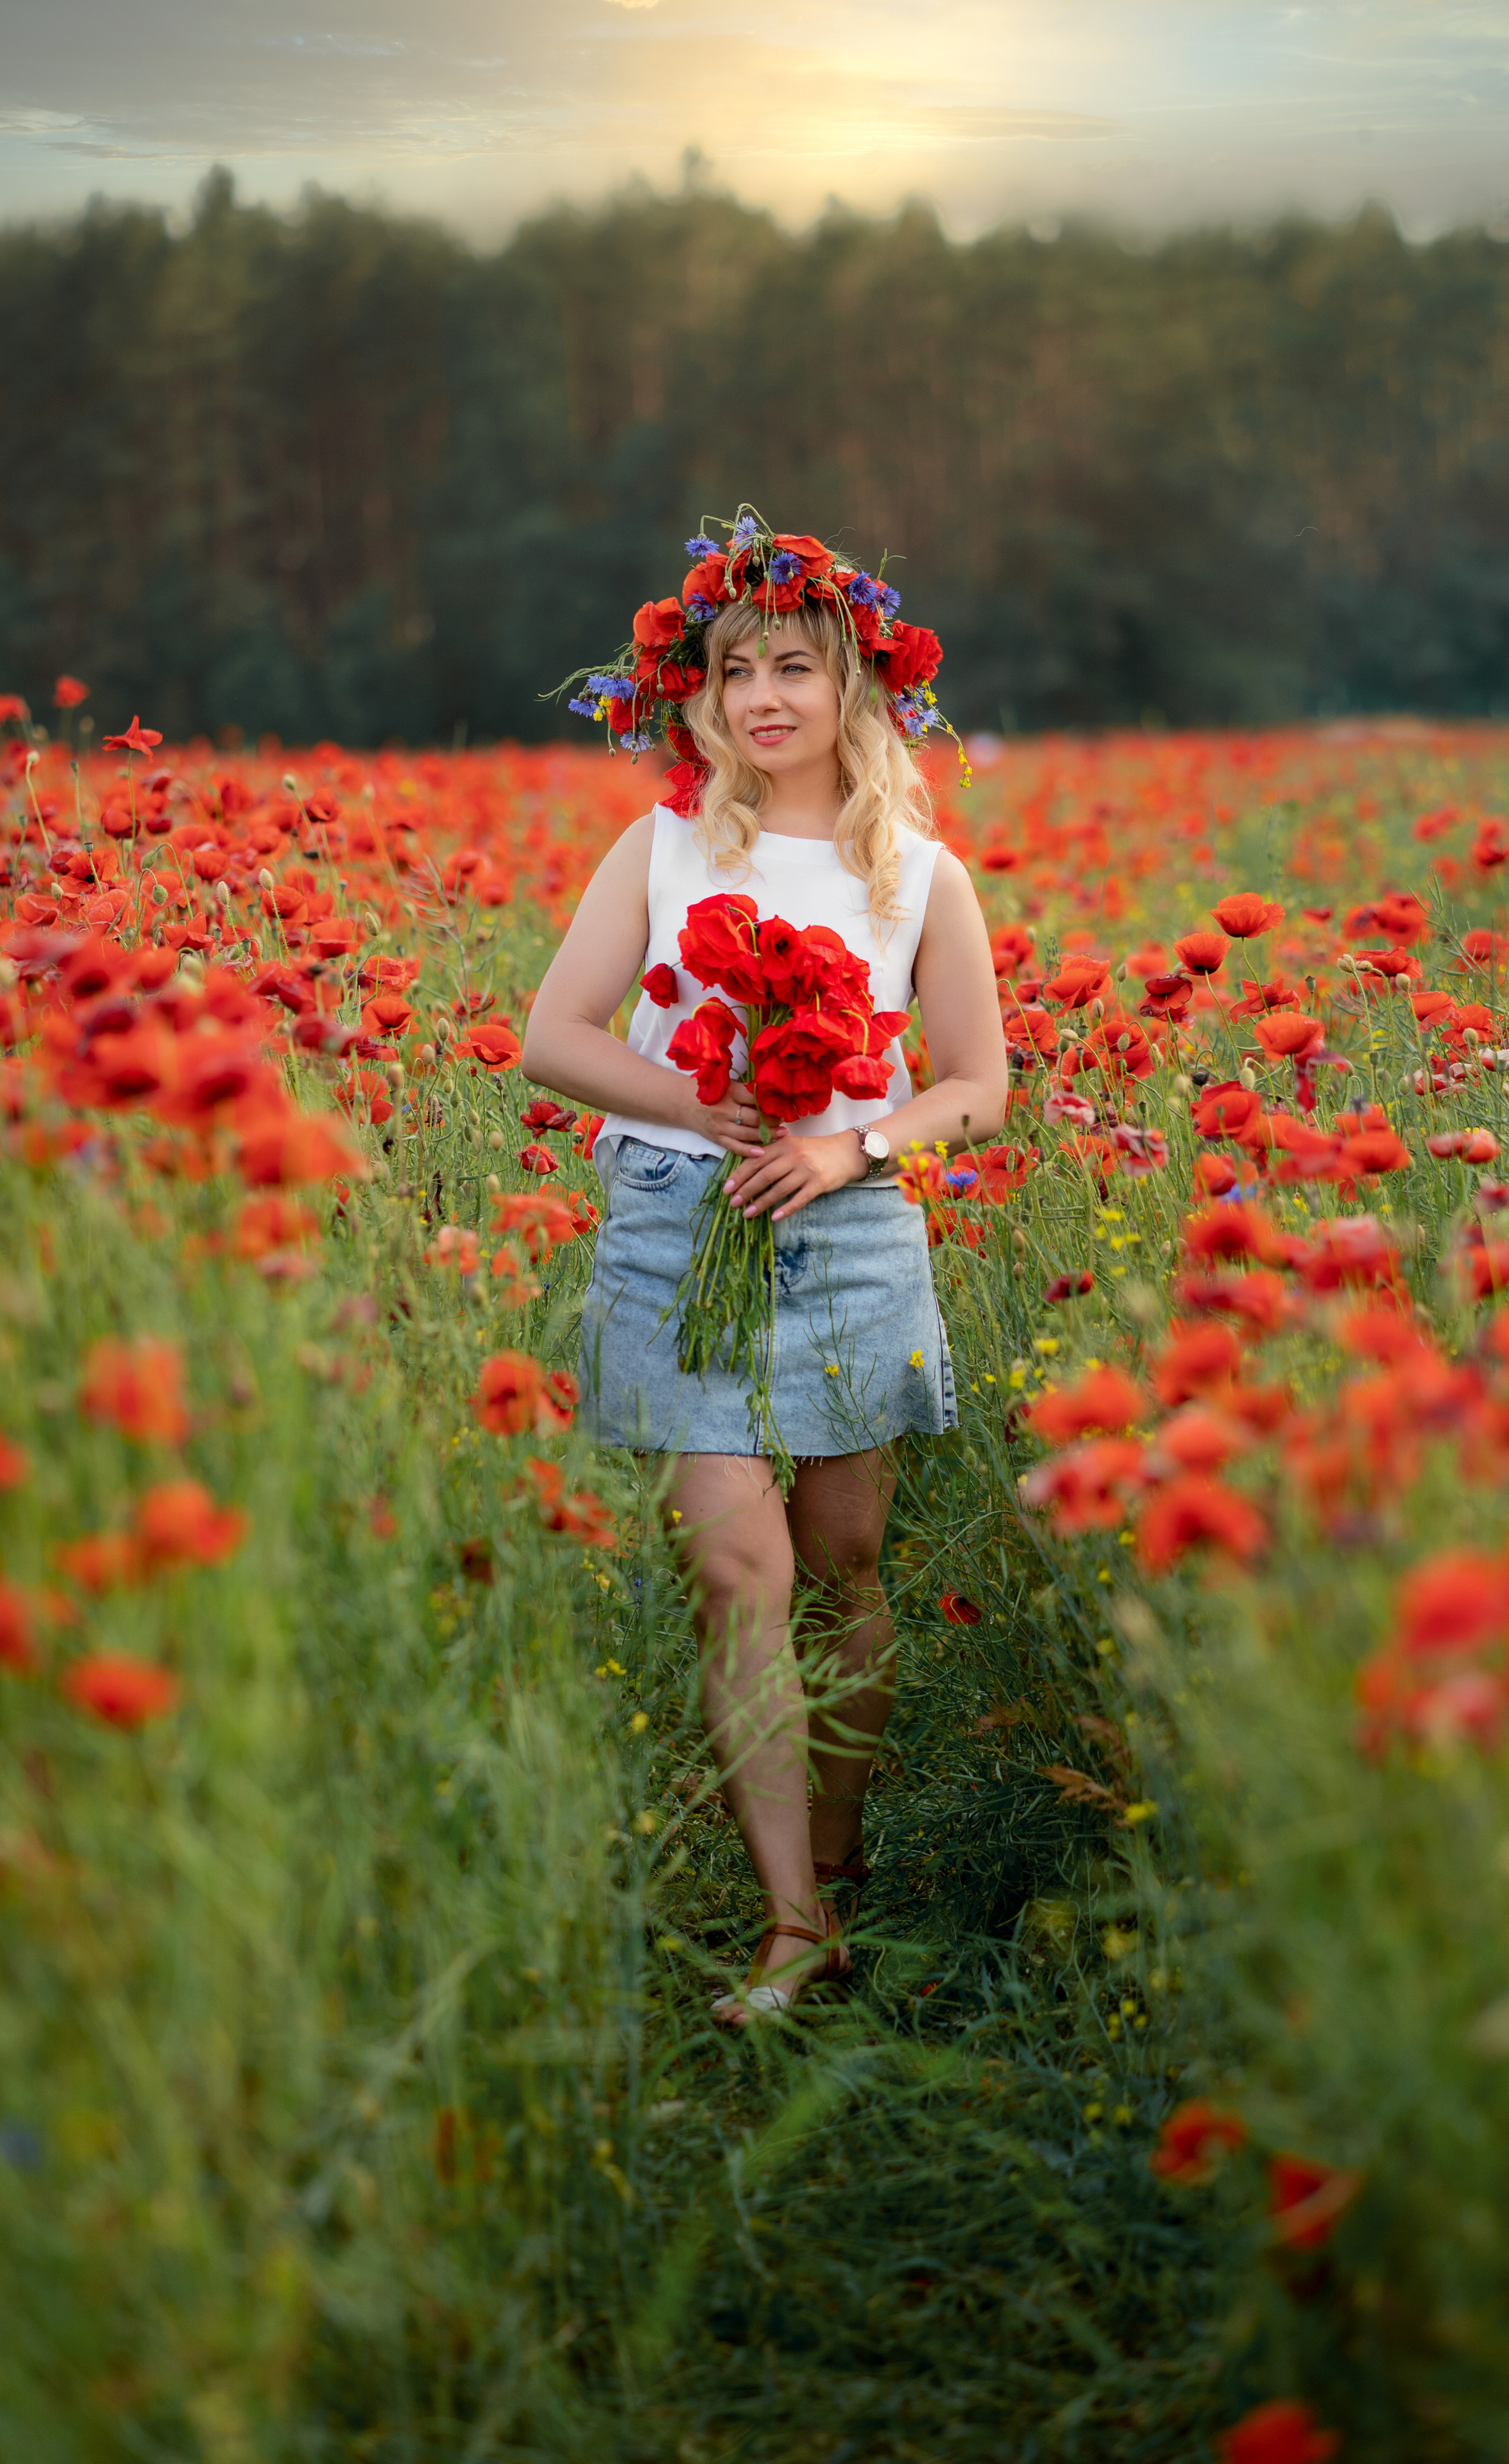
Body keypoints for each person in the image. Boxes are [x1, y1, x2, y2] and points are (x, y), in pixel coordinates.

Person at [522, 516, 1007, 2026]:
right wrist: (700, 1101)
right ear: (701, 695)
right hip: (677, 1221)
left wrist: (850, 1149)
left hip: (851, 1234)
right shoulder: (663, 844)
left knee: (843, 1572)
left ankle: (839, 1853)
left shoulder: (916, 871)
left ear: (853, 686)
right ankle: (792, 1927)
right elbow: (556, 1038)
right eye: (735, 673)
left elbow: (975, 1087)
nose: (761, 700)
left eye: (793, 668)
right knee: (745, 1571)